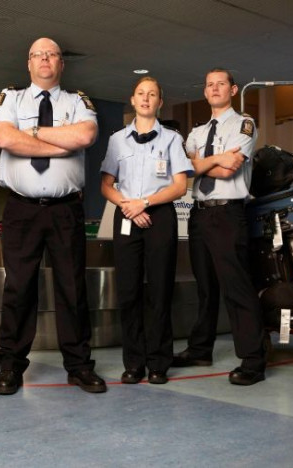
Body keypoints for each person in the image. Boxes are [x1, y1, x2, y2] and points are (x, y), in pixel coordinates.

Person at [0, 37, 106, 395]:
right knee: (18, 288)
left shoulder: (77, 101)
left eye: (52, 54)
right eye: (38, 54)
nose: (45, 59)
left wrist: (34, 134)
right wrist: (59, 145)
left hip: (65, 209)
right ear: (28, 63)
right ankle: (11, 366)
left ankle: (79, 366)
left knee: (72, 288)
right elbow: (6, 139)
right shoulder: (10, 98)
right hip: (21, 209)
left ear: (61, 64)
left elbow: (85, 135)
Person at [173, 68, 267, 385]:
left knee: (236, 288)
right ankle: (201, 349)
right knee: (205, 287)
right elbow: (184, 170)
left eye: (221, 84)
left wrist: (201, 163)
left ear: (233, 90)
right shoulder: (198, 131)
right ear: (205, 91)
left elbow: (230, 170)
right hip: (199, 214)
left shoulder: (244, 124)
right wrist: (217, 159)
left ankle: (253, 360)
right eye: (209, 85)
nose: (214, 89)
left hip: (228, 214)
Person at [100, 77, 193, 384]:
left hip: (160, 216)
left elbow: (180, 186)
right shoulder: (117, 140)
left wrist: (145, 203)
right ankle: (133, 363)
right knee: (128, 292)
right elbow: (106, 185)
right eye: (141, 93)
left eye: (152, 94)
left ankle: (158, 363)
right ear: (132, 99)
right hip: (127, 215)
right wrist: (129, 205)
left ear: (159, 102)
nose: (146, 98)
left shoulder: (172, 139)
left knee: (160, 290)